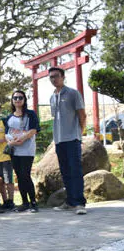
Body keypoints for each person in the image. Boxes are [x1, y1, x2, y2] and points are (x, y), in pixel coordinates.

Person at [49, 67, 87, 215]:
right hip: (59, 140)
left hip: (72, 138)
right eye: (51, 77)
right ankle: (70, 201)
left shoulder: (73, 93)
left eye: (56, 76)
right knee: (65, 171)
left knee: (75, 170)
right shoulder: (52, 97)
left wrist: (79, 132)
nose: (54, 79)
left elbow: (82, 115)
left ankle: (79, 203)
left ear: (63, 77)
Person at [6, 90, 40, 213]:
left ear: (24, 99)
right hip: (14, 151)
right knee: (19, 177)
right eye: (15, 98)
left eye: (20, 97)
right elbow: (7, 133)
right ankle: (25, 203)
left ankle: (33, 202)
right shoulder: (9, 117)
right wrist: (12, 142)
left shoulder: (30, 114)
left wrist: (21, 139)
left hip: (27, 150)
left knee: (26, 175)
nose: (17, 100)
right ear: (12, 100)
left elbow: (34, 130)